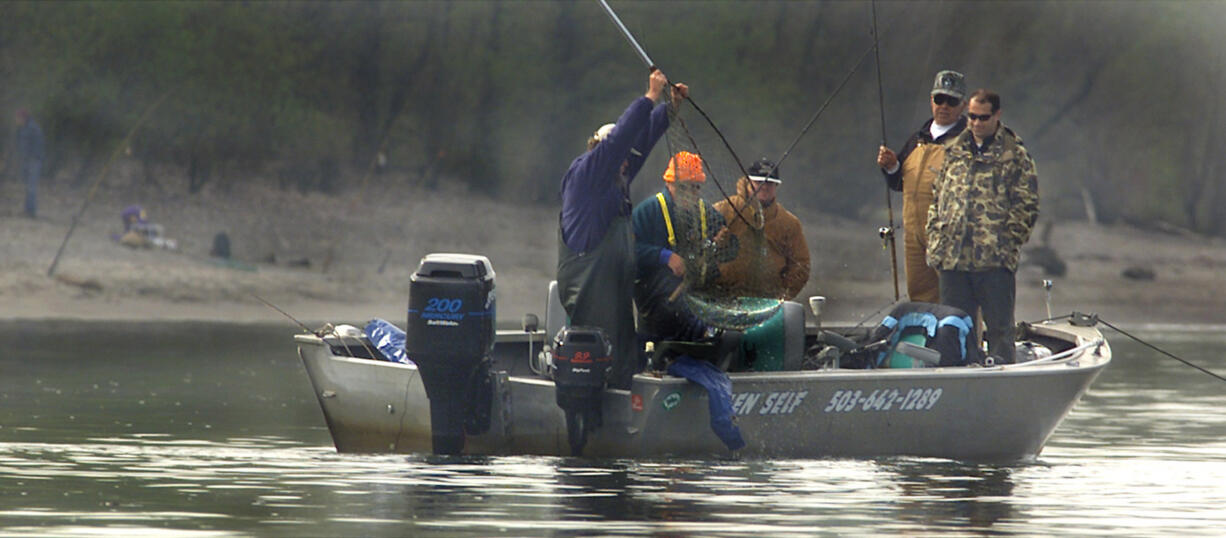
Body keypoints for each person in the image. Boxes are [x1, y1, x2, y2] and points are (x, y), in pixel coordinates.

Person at [557, 68, 688, 390]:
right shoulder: (589, 173)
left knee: (624, 352)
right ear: (598, 150)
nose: (628, 162)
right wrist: (650, 97)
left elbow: (637, 146)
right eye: (621, 157)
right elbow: (620, 142)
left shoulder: (617, 177)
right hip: (589, 295)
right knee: (602, 357)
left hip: (614, 293)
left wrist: (669, 109)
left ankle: (625, 403)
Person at [926, 89, 1039, 364]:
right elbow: (938, 197)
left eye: (983, 118)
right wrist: (935, 240)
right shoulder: (954, 150)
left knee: (1000, 330)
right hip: (953, 259)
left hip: (993, 262)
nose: (976, 123)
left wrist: (1006, 245)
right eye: (972, 117)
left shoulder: (1014, 155)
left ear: (997, 115)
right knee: (952, 329)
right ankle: (956, 378)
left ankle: (1002, 383)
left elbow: (1027, 206)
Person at [876, 70, 968, 303]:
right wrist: (891, 166)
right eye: (939, 99)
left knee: (957, 297)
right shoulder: (917, 138)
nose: (944, 106)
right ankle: (925, 339)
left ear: (963, 106)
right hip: (913, 235)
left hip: (949, 236)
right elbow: (899, 183)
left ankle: (963, 339)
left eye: (952, 101)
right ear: (931, 101)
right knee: (920, 296)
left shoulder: (967, 142)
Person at [631, 151, 724, 342]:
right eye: (683, 188)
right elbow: (627, 252)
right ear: (669, 183)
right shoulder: (647, 211)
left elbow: (731, 251)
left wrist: (726, 242)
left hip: (697, 305)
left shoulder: (707, 212)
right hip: (656, 309)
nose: (690, 194)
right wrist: (664, 256)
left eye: (695, 188)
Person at [712, 158, 810, 300]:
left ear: (776, 186)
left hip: (767, 300)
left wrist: (783, 295)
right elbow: (700, 249)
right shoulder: (723, 210)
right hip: (721, 295)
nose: (764, 187)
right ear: (747, 182)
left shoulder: (789, 223)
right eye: (759, 182)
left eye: (769, 183)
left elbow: (801, 265)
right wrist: (716, 242)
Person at [15, 108, 44, 218]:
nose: (16, 120)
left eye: (18, 118)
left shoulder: (33, 128)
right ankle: (27, 210)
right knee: (28, 186)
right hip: (26, 161)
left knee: (31, 187)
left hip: (33, 161)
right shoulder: (22, 129)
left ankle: (31, 212)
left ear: (23, 118)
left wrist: (33, 158)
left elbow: (38, 146)